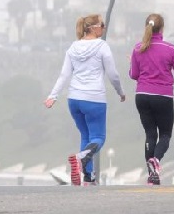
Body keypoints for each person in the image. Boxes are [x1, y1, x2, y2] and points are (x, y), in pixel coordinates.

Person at [45, 14, 126, 185]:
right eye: (102, 25)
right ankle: (81, 158)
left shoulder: (72, 48)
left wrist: (53, 96)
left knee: (85, 135)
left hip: (74, 99)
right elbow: (113, 74)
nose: (103, 28)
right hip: (94, 98)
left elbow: (64, 75)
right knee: (98, 137)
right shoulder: (102, 46)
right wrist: (120, 92)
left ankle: (87, 176)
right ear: (94, 28)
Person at [129, 13, 174, 185]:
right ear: (162, 29)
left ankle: (152, 175)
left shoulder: (138, 48)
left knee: (150, 134)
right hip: (163, 97)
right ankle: (157, 160)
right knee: (165, 135)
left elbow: (134, 75)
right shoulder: (170, 49)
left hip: (142, 97)